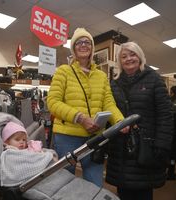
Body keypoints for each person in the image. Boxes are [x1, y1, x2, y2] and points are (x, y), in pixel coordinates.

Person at [47, 27, 126, 187]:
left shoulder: (102, 76)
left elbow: (108, 102)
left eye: (87, 42)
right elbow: (53, 102)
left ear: (92, 48)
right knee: (65, 183)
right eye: (79, 42)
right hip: (67, 137)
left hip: (94, 137)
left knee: (95, 183)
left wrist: (120, 121)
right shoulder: (63, 71)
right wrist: (81, 118)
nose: (83, 45)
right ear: (74, 48)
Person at [106, 41, 173, 200]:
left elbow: (165, 115)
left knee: (143, 192)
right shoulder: (114, 84)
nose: (129, 59)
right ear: (119, 61)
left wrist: (161, 145)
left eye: (132, 54)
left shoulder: (154, 79)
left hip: (146, 147)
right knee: (123, 191)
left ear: (140, 56)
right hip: (120, 149)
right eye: (124, 56)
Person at [0, 121, 57, 186]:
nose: (21, 142)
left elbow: (31, 156)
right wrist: (45, 157)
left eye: (24, 140)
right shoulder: (10, 152)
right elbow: (25, 159)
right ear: (7, 141)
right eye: (17, 139)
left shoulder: (25, 148)